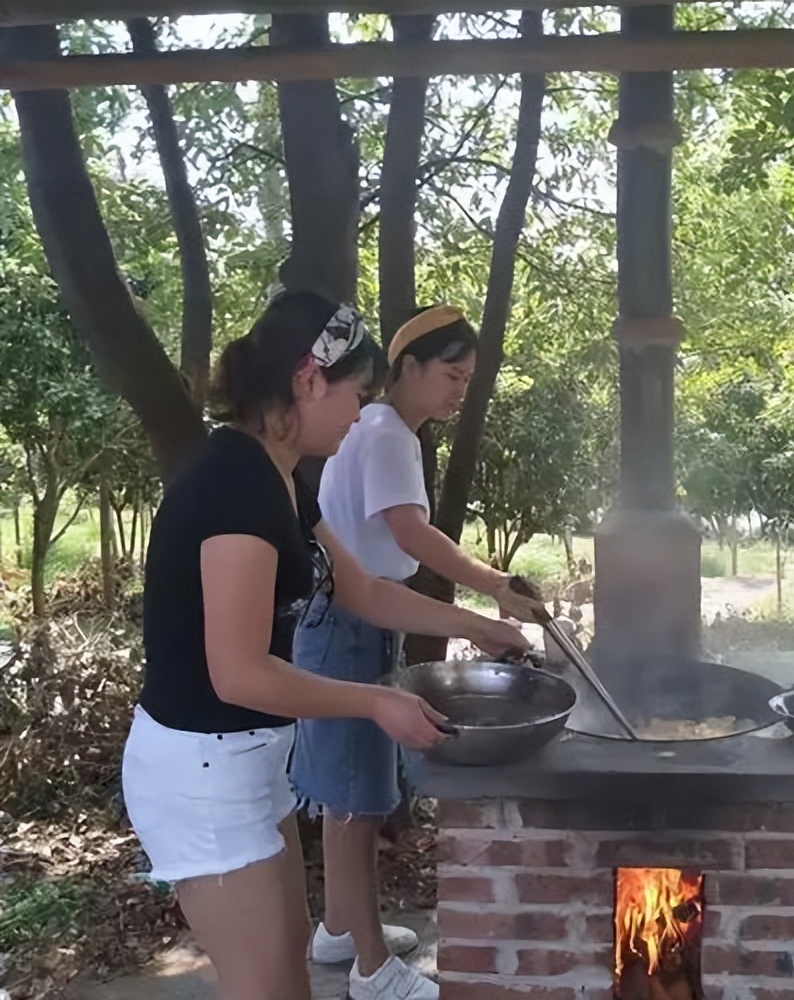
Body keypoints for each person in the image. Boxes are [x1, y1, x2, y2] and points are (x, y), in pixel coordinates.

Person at [121, 291, 529, 1000]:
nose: (357, 413)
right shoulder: (232, 486)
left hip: (250, 762)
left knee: (289, 984)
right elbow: (239, 672)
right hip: (203, 771)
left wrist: (480, 625)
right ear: (309, 380)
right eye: (355, 394)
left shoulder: (280, 478)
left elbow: (362, 591)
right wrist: (376, 700)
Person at [291, 305, 546, 1000]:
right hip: (347, 625)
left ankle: (341, 930)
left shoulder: (374, 428)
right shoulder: (389, 434)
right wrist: (493, 590)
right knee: (353, 804)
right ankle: (373, 970)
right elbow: (411, 536)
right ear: (407, 368)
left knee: (352, 795)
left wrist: (486, 601)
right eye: (451, 374)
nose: (460, 390)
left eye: (469, 378)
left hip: (349, 618)